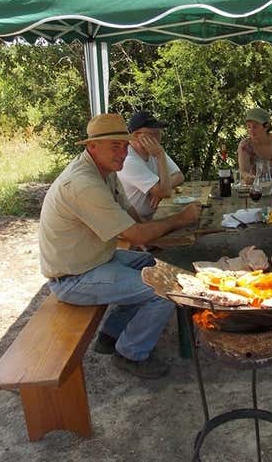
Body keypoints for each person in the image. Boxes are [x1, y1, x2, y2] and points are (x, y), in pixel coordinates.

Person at [39, 113, 201, 379]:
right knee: (164, 289)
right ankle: (130, 354)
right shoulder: (83, 184)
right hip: (74, 278)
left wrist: (152, 242)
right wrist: (179, 220)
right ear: (92, 146)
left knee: (157, 266)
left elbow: (129, 214)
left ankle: (110, 335)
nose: (123, 152)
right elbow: (136, 234)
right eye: (115, 145)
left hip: (97, 260)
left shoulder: (103, 170)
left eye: (125, 145)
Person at [117, 110, 184, 220]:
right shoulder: (129, 160)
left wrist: (160, 190)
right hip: (137, 222)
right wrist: (162, 190)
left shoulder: (154, 150)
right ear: (135, 136)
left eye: (158, 132)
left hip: (155, 214)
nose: (157, 137)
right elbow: (165, 192)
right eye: (152, 134)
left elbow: (179, 175)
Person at [237, 107, 272, 184]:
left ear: (266, 126)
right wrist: (248, 177)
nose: (251, 130)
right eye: (249, 126)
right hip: (255, 187)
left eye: (255, 126)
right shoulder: (245, 145)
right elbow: (243, 171)